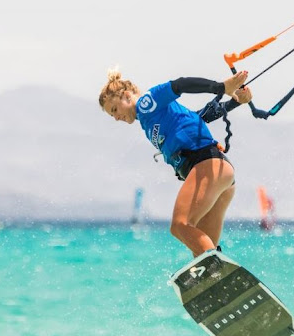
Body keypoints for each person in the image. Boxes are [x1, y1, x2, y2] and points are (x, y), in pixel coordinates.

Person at [99, 69, 252, 257]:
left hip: (207, 166)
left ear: (126, 95)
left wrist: (221, 87)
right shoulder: (149, 119)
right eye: (112, 115)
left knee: (180, 224)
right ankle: (215, 272)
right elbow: (198, 118)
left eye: (115, 109)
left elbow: (180, 84)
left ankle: (215, 266)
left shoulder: (147, 103)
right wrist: (236, 102)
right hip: (219, 175)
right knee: (201, 252)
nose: (116, 118)